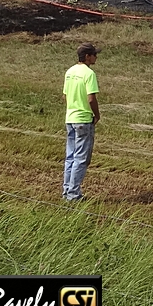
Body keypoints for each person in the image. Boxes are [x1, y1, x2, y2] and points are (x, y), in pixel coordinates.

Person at [63, 42, 101, 201]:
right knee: (81, 158)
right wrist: (96, 114)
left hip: (70, 118)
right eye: (94, 54)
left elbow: (64, 96)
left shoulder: (70, 72)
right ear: (87, 57)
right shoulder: (89, 73)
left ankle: (66, 191)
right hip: (84, 119)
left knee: (70, 156)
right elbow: (91, 98)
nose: (96, 57)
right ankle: (74, 194)